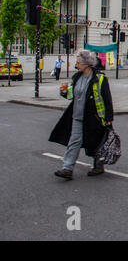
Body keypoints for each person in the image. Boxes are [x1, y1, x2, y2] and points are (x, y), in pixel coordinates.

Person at [49, 50, 114, 180]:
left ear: (87, 64)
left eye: (78, 63)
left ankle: (98, 165)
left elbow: (107, 99)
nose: (76, 65)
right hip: (77, 117)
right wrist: (64, 93)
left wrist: (108, 118)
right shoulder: (76, 77)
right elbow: (72, 95)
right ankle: (67, 168)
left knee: (95, 142)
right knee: (74, 141)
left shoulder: (100, 79)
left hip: (94, 118)